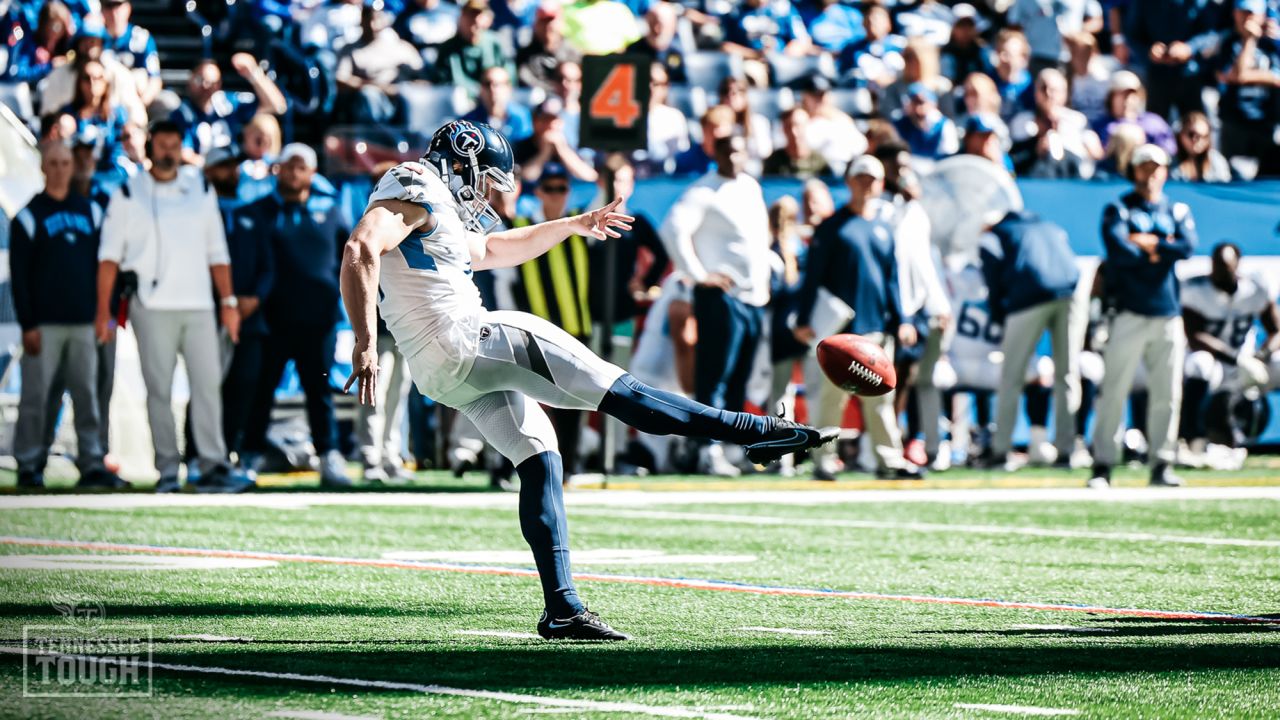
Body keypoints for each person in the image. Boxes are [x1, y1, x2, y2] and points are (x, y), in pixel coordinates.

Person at [340, 120, 837, 640]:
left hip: (440, 371)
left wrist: (572, 224)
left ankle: (563, 609)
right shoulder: (415, 182)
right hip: (467, 336)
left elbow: (491, 251)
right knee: (624, 393)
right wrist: (366, 340)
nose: (485, 191)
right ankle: (756, 433)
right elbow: (360, 248)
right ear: (460, 161)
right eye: (483, 177)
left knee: (540, 458)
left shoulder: (433, 203)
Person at [96, 120, 249, 493]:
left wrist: (227, 302)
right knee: (159, 392)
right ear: (149, 148)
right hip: (149, 307)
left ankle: (213, 465)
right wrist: (103, 312)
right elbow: (108, 259)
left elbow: (218, 251)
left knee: (208, 386)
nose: (167, 152)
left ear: (182, 148)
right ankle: (167, 470)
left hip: (199, 305)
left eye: (174, 145)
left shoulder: (200, 186)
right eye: (161, 145)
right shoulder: (128, 194)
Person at [793, 156, 921, 480]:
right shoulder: (832, 227)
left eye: (872, 179)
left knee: (880, 402)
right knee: (829, 400)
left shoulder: (883, 228)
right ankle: (823, 462)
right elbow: (813, 278)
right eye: (860, 178)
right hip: (837, 332)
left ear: (880, 184)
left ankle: (888, 460)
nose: (866, 184)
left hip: (875, 328)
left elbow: (891, 279)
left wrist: (902, 319)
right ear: (849, 181)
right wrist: (804, 318)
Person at [662, 135, 776, 476]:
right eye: (727, 150)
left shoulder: (751, 187)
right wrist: (698, 275)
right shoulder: (703, 191)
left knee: (740, 376)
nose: (734, 156)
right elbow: (673, 229)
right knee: (715, 377)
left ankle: (733, 446)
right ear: (716, 153)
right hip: (721, 296)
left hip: (753, 298)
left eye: (740, 149)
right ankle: (707, 448)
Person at [11, 142, 122, 489]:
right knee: (37, 398)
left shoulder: (91, 212)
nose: (59, 169)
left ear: (72, 167)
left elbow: (107, 267)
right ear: (44, 167)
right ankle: (30, 463)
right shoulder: (29, 216)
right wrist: (28, 323)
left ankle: (91, 461)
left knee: (88, 397)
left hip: (85, 322)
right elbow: (20, 277)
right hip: (44, 325)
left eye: (65, 163)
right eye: (53, 163)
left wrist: (106, 315)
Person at [240, 144, 352, 488]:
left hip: (318, 320)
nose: (292, 172)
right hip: (271, 319)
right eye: (287, 166)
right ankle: (249, 456)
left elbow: (349, 260)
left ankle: (329, 455)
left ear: (312, 172)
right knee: (262, 389)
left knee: (319, 391)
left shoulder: (331, 211)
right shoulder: (258, 212)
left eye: (300, 166)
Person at [1090, 144, 1196, 489]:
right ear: (1134, 171)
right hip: (1129, 311)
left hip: (1167, 312)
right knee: (1114, 390)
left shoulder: (1176, 208)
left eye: (1157, 168)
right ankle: (1103, 464)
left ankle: (1161, 464)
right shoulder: (1118, 207)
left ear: (1166, 171)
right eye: (1144, 168)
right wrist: (1159, 247)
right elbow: (1119, 252)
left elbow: (1186, 247)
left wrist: (1148, 245)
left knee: (1167, 393)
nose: (1151, 175)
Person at [979, 210, 1082, 468]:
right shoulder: (1048, 224)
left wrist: (1000, 316)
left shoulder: (994, 235)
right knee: (1067, 374)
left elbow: (993, 283)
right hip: (1070, 293)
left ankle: (1001, 450)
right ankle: (1066, 450)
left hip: (1028, 298)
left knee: (1011, 377)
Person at [203, 144, 274, 464]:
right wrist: (221, 301)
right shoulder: (200, 212)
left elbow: (267, 266)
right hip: (209, 314)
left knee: (244, 386)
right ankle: (196, 454)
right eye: (222, 166)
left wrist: (254, 299)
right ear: (208, 172)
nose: (230, 172)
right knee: (207, 387)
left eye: (233, 166)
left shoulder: (251, 213)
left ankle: (230, 450)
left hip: (250, 317)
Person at [1179, 242, 1280, 464]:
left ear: (1237, 266)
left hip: (1251, 362)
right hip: (1218, 363)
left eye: (1226, 266)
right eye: (1217, 265)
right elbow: (1195, 336)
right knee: (1199, 363)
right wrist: (1237, 359)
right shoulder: (1196, 290)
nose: (1221, 271)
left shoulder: (1254, 289)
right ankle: (1192, 440)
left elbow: (1276, 331)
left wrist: (1261, 357)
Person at [170, 54, 286, 164]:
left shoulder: (227, 103)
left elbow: (277, 105)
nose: (205, 86)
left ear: (219, 85)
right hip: (201, 172)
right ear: (190, 80)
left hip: (232, 171)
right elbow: (184, 153)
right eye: (200, 80)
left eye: (212, 83)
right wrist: (214, 168)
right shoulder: (182, 113)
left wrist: (254, 73)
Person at [1216, 0, 1280, 176]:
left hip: (1266, 123)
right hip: (1234, 123)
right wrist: (1249, 40)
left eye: (1252, 13)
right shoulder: (1228, 42)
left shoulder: (1272, 44)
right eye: (1243, 12)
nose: (1247, 18)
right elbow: (1237, 75)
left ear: (1262, 16)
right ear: (1234, 14)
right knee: (1232, 178)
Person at [334, 3, 424, 125]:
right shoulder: (350, 49)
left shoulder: (399, 46)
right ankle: (376, 138)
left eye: (377, 19)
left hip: (400, 98)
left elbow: (423, 77)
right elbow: (341, 79)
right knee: (369, 94)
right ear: (361, 21)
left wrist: (403, 88)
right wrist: (375, 86)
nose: (373, 25)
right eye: (368, 20)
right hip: (371, 101)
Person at [1008, 68, 1103, 178]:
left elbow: (1091, 159)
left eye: (1054, 90)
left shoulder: (1078, 121)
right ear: (1036, 93)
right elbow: (1015, 158)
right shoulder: (1021, 121)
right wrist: (1034, 148)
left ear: (1065, 93)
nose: (1048, 94)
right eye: (1043, 88)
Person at [434, 0, 515, 97]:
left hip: (495, 98)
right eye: (470, 15)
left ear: (489, 20)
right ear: (461, 17)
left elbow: (509, 73)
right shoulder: (448, 49)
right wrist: (479, 92)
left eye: (479, 15)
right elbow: (448, 83)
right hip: (464, 102)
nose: (475, 21)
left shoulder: (495, 43)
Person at [1091, 70, 1176, 157]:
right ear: (1110, 98)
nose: (1127, 100)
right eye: (1122, 94)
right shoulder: (1100, 125)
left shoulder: (1153, 122)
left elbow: (1169, 151)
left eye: (1132, 95)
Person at [1009, 0, 1103, 77]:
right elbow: (1014, 24)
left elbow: (1096, 20)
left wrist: (1078, 33)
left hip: (1070, 58)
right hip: (1036, 56)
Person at [516, 97, 597, 182]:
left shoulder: (571, 143)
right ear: (535, 122)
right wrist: (544, 152)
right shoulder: (523, 144)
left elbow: (590, 176)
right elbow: (526, 177)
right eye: (545, 120)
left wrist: (561, 148)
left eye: (555, 120)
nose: (550, 125)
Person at [101, 0, 161, 110]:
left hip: (137, 97)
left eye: (118, 5)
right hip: (105, 97)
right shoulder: (94, 38)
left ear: (128, 8)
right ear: (101, 10)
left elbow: (155, 80)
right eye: (108, 6)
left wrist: (140, 105)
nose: (114, 12)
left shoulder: (141, 37)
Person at [641, 63, 691, 174]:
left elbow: (681, 155)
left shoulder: (674, 117)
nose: (650, 88)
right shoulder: (623, 117)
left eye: (657, 84)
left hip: (664, 179)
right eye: (646, 81)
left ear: (666, 88)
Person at [461, 67, 533, 144]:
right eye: (487, 84)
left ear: (509, 87)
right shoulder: (468, 122)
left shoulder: (522, 116)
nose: (492, 89)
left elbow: (526, 148)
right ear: (481, 89)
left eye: (498, 84)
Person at [517, 3, 579, 91]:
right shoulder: (526, 54)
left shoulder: (573, 50)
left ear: (561, 22)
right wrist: (552, 90)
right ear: (536, 24)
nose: (548, 26)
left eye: (551, 20)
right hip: (540, 99)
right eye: (543, 21)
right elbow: (525, 78)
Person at [891, 82, 959, 160]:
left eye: (921, 102)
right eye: (914, 103)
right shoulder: (900, 124)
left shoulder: (945, 126)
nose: (918, 109)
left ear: (933, 104)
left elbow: (949, 156)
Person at [624, 1, 685, 83]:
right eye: (653, 23)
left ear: (673, 25)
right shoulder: (632, 50)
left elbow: (680, 83)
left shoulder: (677, 53)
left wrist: (663, 77)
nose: (656, 29)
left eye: (661, 25)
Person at [763, 107, 832, 177]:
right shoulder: (774, 161)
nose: (794, 132)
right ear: (783, 129)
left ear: (807, 126)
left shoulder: (820, 162)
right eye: (789, 126)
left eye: (798, 125)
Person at [561, 0, 641, 56]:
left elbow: (632, 44)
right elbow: (562, 41)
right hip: (579, 67)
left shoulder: (620, 9)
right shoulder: (567, 10)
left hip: (614, 66)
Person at [1170, 111, 1233, 181]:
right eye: (1191, 134)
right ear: (1181, 134)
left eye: (1204, 136)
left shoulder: (1217, 161)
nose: (1197, 140)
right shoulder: (1169, 160)